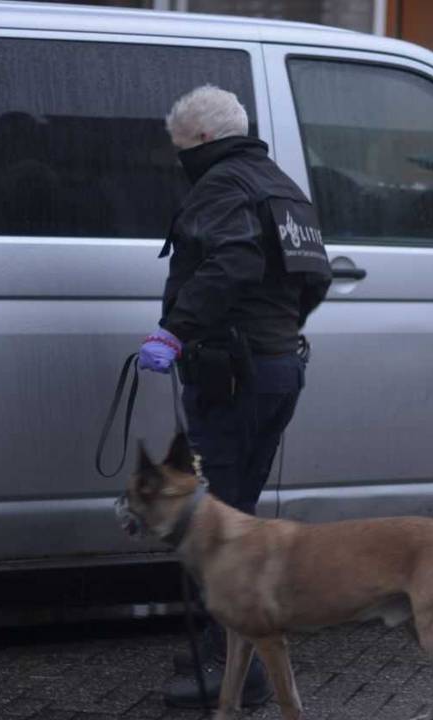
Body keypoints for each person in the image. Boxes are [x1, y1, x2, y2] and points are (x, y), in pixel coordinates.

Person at [137, 85, 332, 709]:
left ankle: (234, 674)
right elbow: (315, 276)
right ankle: (228, 650)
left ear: (200, 139)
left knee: (216, 525)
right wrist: (276, 334)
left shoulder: (221, 184)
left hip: (235, 377)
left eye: (179, 147)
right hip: (276, 370)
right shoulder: (281, 186)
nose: (177, 159)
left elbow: (231, 266)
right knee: (238, 515)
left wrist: (175, 331)